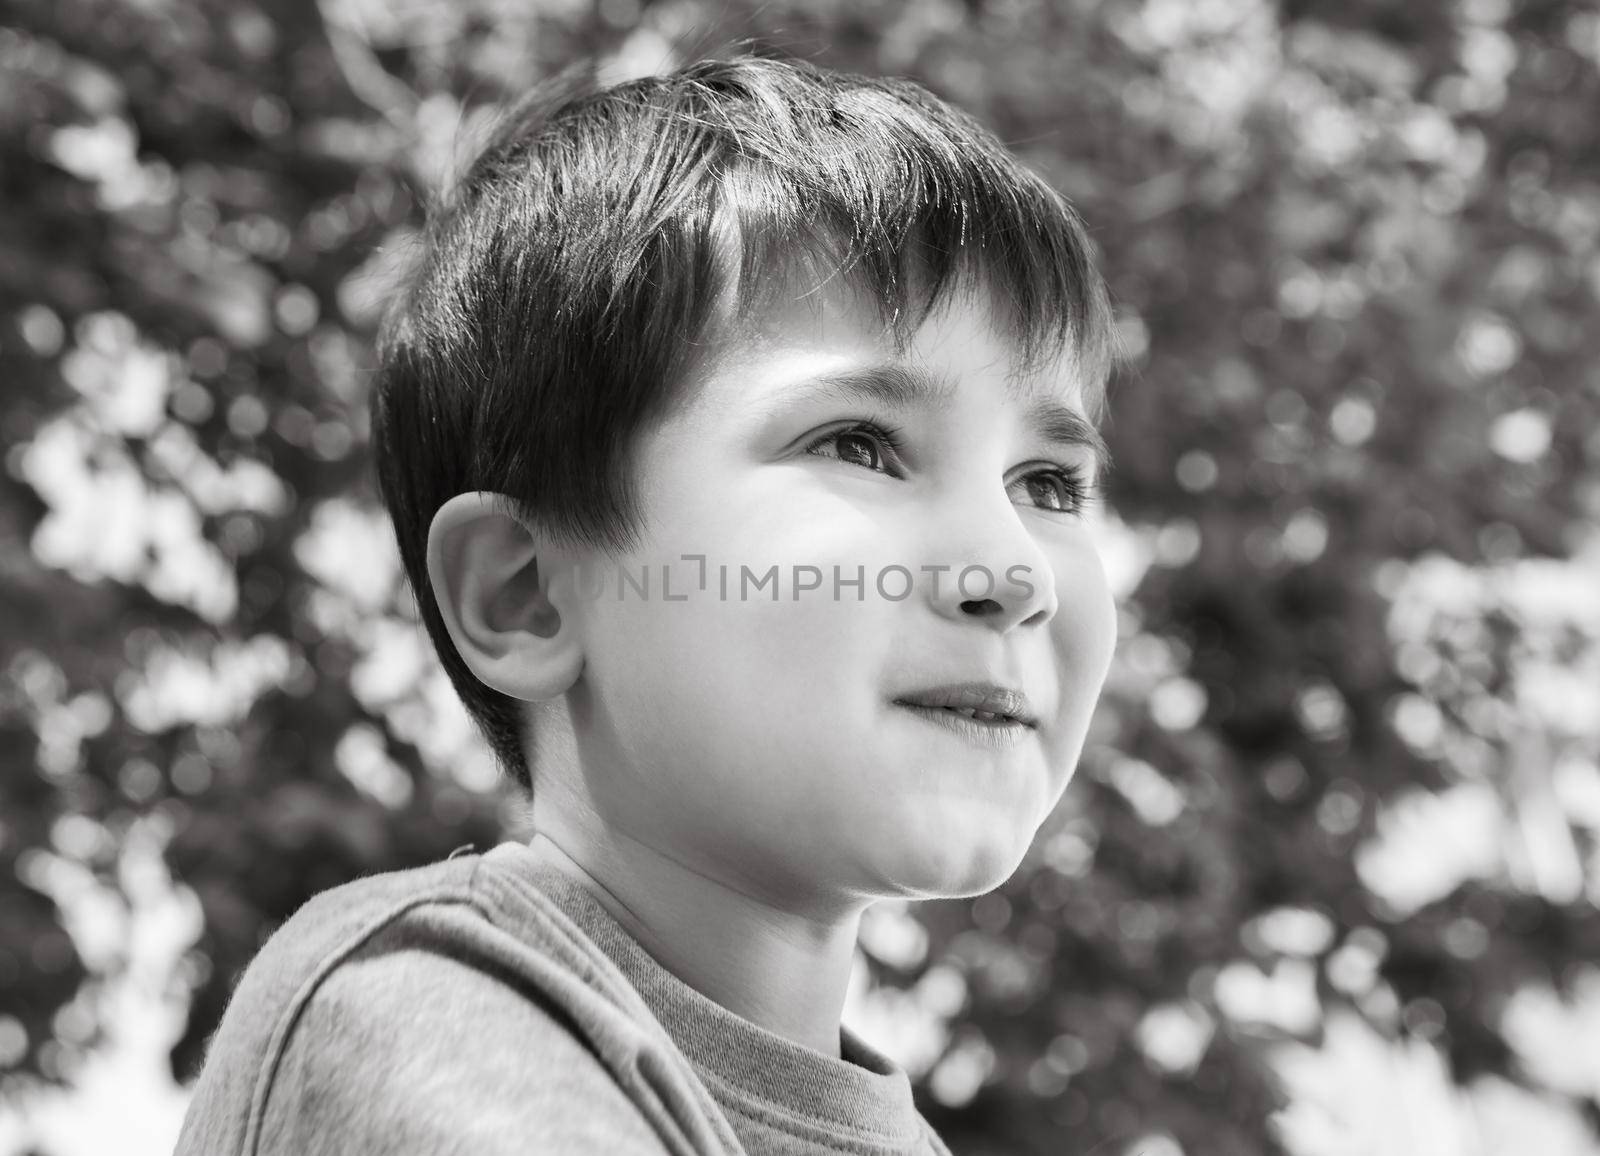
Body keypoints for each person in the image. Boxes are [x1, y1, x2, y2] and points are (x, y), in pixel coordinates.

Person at [174, 53, 1121, 1155]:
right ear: (526, 593)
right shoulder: (419, 1009)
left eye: (1048, 484)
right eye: (860, 443)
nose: (1013, 570)